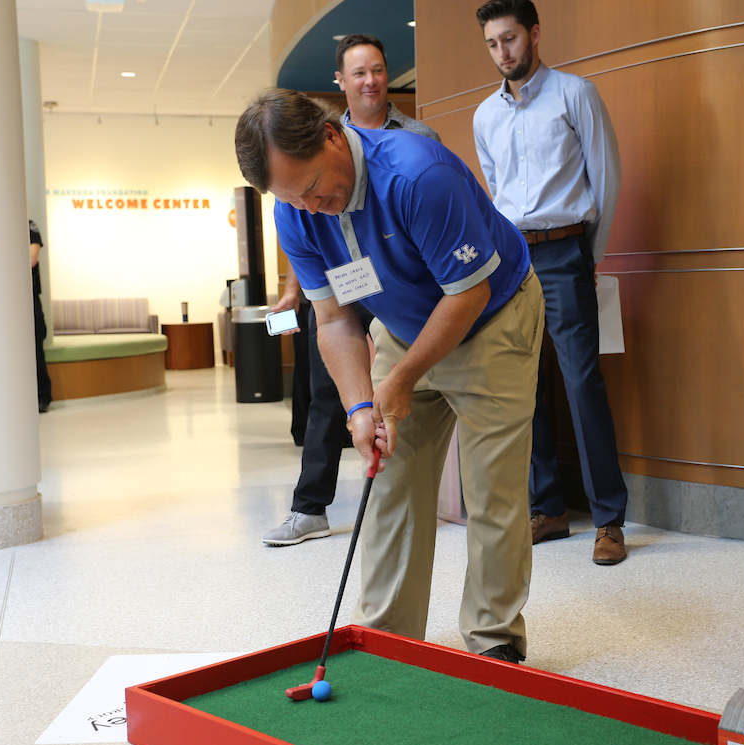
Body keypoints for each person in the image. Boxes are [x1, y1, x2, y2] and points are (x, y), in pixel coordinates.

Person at [236, 88, 544, 662]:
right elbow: (332, 317)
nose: (309, 208)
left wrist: (399, 381)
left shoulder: (417, 175)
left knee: (492, 490)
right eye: (290, 200)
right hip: (403, 326)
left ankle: (493, 643)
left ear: (332, 136)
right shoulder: (295, 213)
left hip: (491, 317)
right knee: (389, 482)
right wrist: (359, 408)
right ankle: (386, 644)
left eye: (311, 188)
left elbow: (469, 291)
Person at [264, 34, 440, 546]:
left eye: (378, 70)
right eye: (358, 72)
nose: (370, 80)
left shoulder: (418, 139)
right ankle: (309, 507)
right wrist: (294, 290)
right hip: (347, 282)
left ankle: (417, 501)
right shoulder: (318, 143)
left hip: (404, 287)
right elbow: (306, 229)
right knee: (332, 389)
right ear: (340, 83)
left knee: (403, 390)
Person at [473, 0, 629, 565]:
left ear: (534, 34)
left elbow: (605, 178)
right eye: (492, 44)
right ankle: (549, 509)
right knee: (523, 384)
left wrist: (589, 254)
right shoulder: (484, 115)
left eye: (510, 39)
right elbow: (496, 193)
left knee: (582, 381)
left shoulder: (574, 94)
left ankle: (609, 519)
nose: (502, 53)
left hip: (566, 251)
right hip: (513, 259)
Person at [30, 220, 52, 413]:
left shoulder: (29, 226)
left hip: (30, 297)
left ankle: (43, 396)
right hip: (7, 301)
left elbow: (32, 258)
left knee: (36, 345)